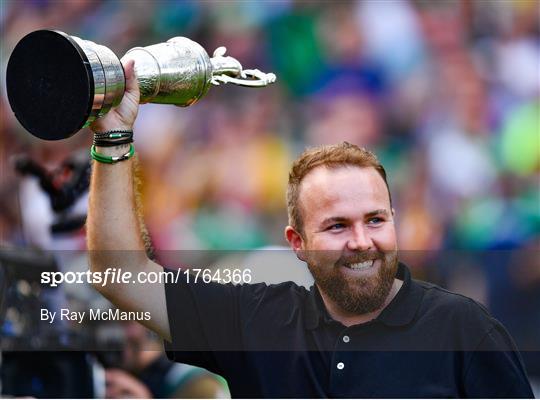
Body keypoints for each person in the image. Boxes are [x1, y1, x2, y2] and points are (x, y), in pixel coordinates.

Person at [87, 60, 534, 398]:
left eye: (375, 220)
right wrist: (113, 137)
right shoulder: (255, 317)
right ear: (297, 243)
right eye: (337, 226)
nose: (362, 242)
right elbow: (119, 277)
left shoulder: (465, 331)